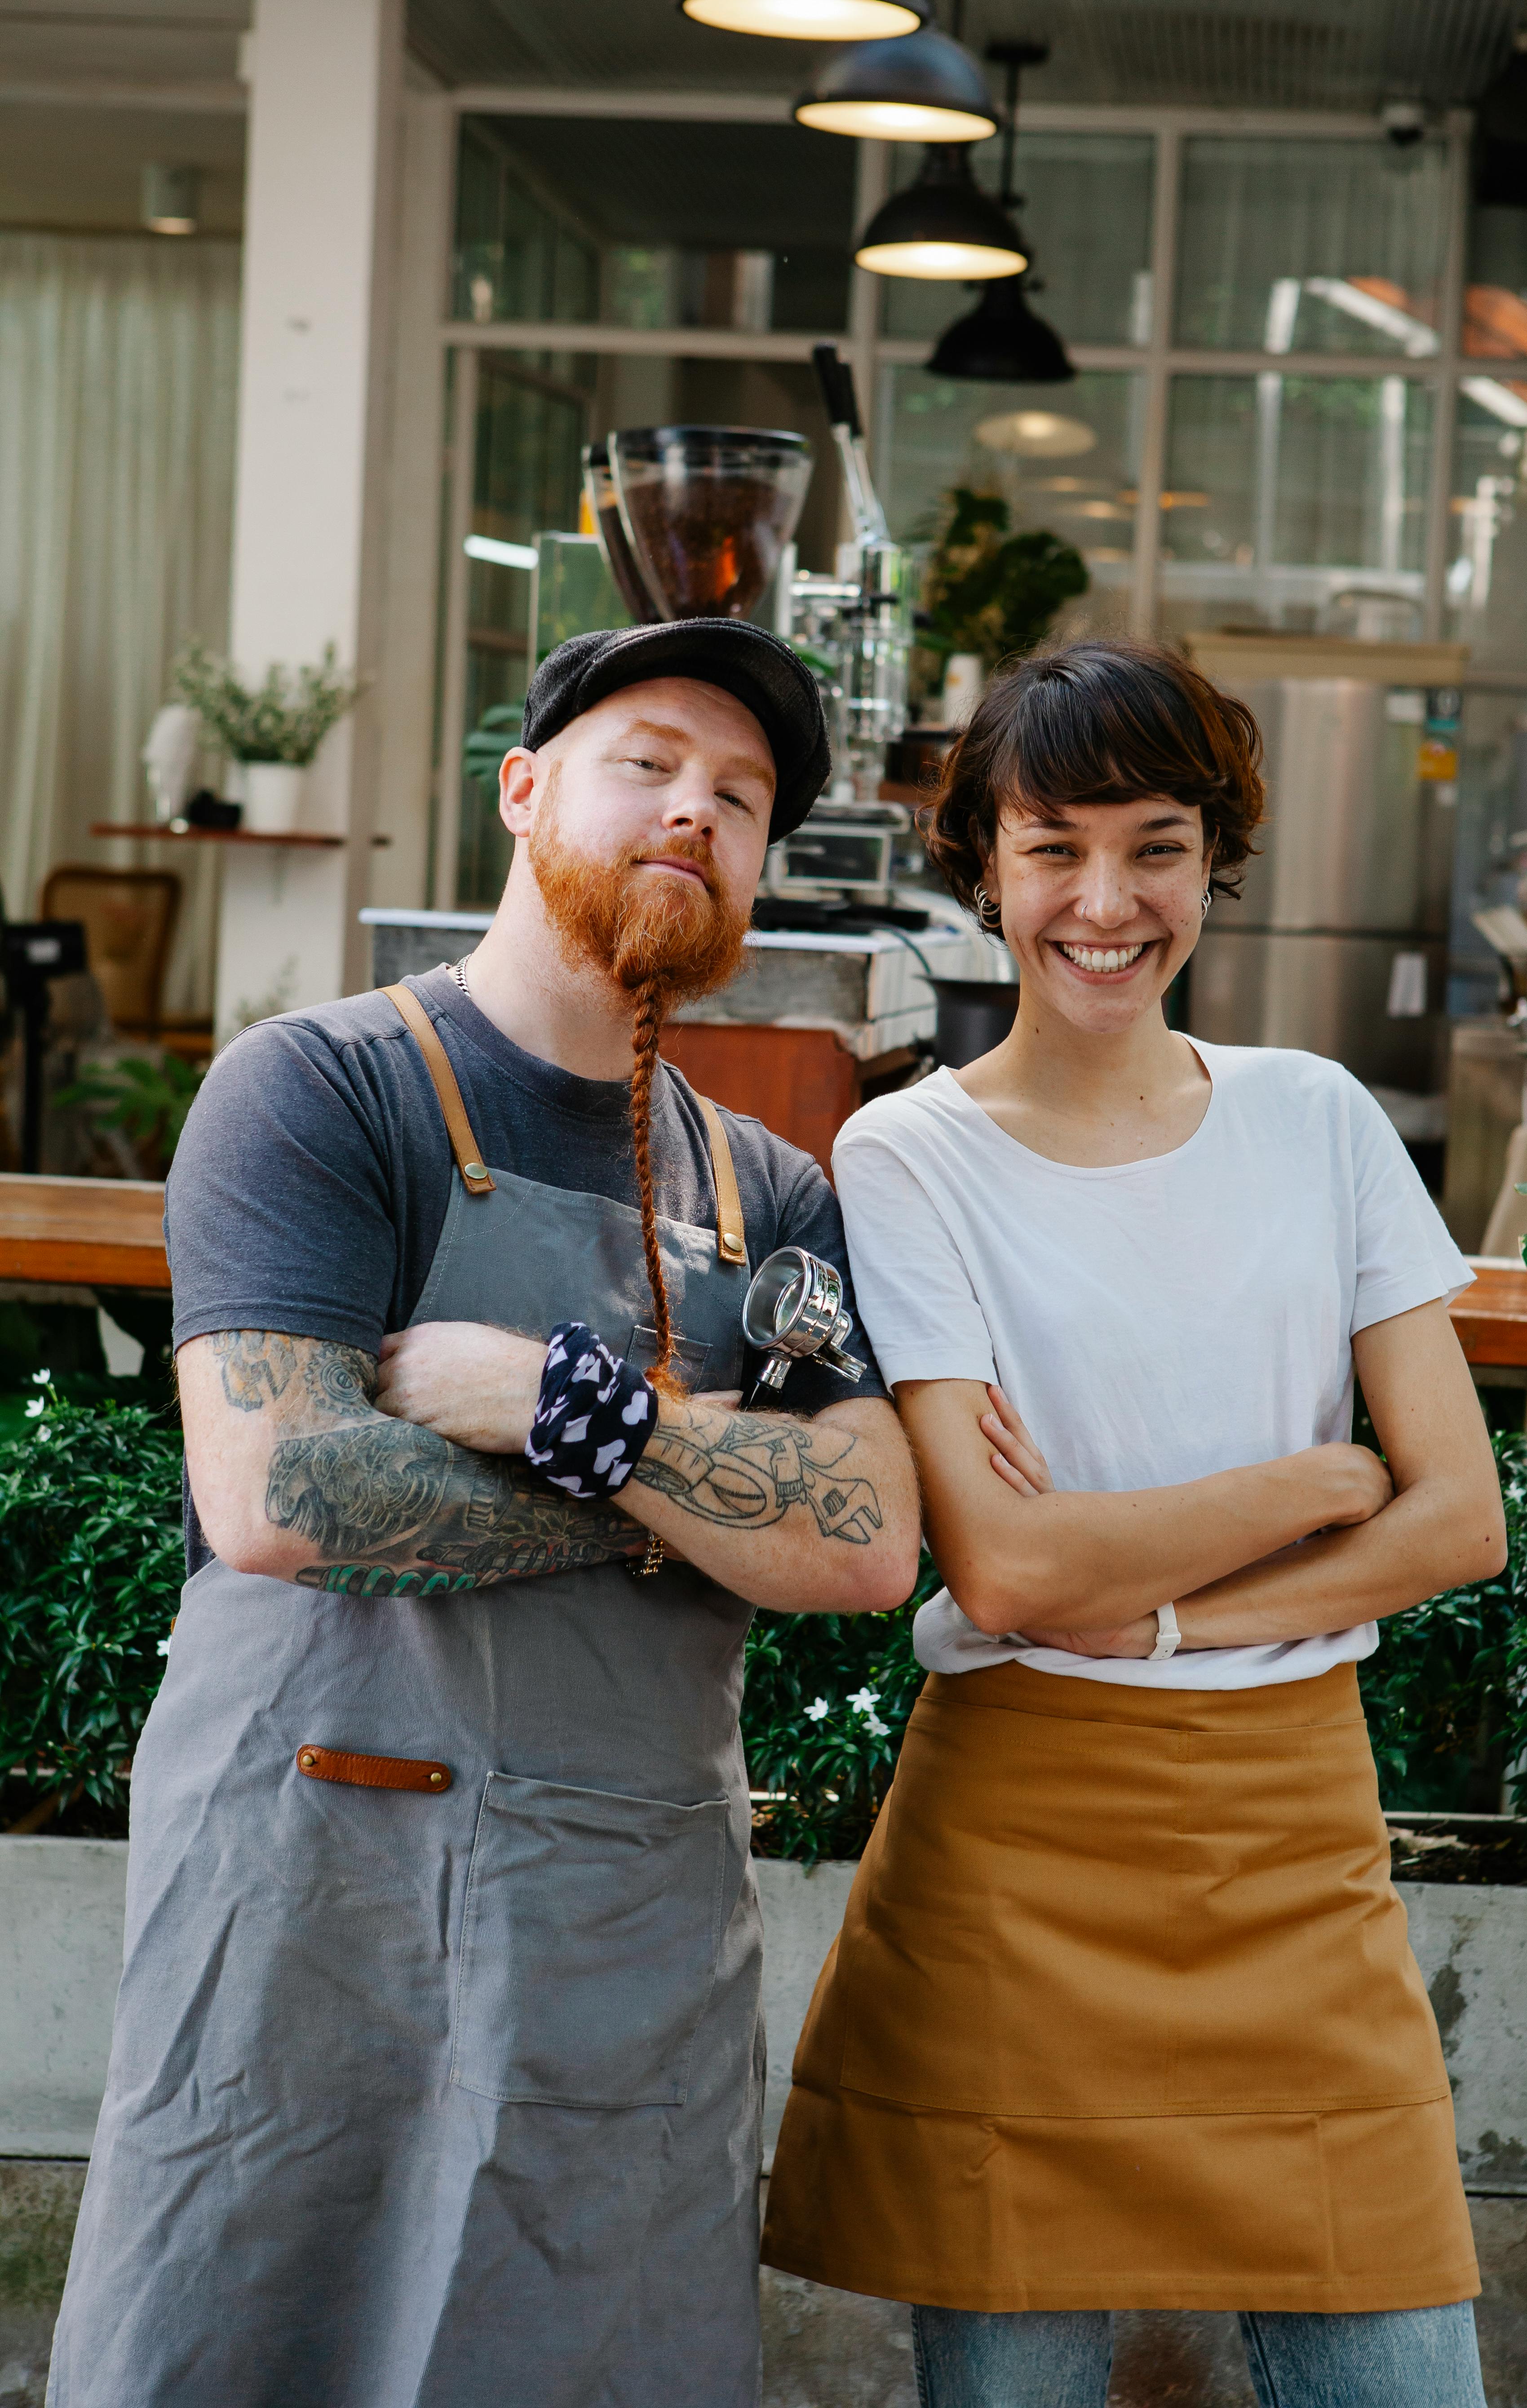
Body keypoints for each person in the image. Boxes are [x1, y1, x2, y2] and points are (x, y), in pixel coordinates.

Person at [49, 617, 919, 2408]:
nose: (697, 811)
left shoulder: (774, 1193)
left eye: (744, 796)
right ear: (523, 793)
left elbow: (864, 1543)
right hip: (315, 1908)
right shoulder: (318, 1089)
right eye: (648, 764)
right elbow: (289, 1488)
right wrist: (697, 1485)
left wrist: (563, 1411)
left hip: (628, 1932)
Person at [762, 641, 1505, 2408]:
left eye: (1157, 846)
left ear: (1213, 858)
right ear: (986, 866)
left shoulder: (1317, 1120)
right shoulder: (908, 1157)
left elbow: (1460, 1517)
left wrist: (1168, 1608)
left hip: (1294, 1837)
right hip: (1019, 1853)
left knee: (1404, 2375)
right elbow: (1015, 1574)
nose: (1107, 902)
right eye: (1054, 849)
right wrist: (1319, 1486)